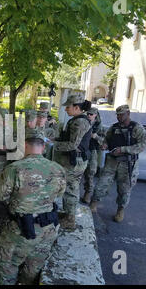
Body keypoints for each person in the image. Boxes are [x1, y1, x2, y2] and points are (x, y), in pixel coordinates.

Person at [0, 129, 66, 285]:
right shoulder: (58, 169)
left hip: (19, 230)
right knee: (33, 269)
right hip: (48, 229)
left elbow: (0, 195)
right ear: (44, 147)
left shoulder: (15, 168)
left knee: (8, 267)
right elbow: (59, 193)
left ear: (24, 145)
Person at [89, 105, 146, 222]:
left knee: (124, 189)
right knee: (102, 184)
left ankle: (120, 210)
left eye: (121, 114)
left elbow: (143, 144)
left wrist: (123, 149)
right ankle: (93, 204)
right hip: (112, 162)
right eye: (117, 114)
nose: (119, 117)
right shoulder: (114, 128)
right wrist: (105, 145)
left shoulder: (136, 128)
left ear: (128, 113)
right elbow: (106, 139)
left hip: (128, 164)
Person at [53, 94, 92, 230]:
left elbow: (72, 145)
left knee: (70, 189)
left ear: (76, 108)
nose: (66, 110)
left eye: (68, 107)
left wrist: (53, 145)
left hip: (75, 162)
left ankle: (70, 220)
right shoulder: (75, 120)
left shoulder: (80, 122)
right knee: (68, 187)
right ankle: (68, 214)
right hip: (72, 160)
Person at [81, 108, 107, 204]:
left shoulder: (100, 127)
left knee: (90, 173)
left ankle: (88, 193)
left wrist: (96, 137)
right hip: (83, 150)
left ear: (96, 115)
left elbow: (104, 142)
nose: (89, 115)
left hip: (92, 151)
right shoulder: (83, 123)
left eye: (91, 114)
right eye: (88, 113)